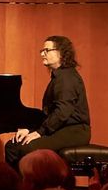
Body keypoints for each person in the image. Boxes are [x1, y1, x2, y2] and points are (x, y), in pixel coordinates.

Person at [5, 36, 90, 167]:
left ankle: (28, 185)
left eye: (47, 50)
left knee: (23, 148)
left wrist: (40, 132)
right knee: (13, 145)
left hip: (74, 131)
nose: (43, 54)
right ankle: (20, 185)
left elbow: (62, 113)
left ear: (61, 53)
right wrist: (30, 129)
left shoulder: (67, 78)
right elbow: (51, 115)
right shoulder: (60, 76)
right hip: (62, 128)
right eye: (42, 50)